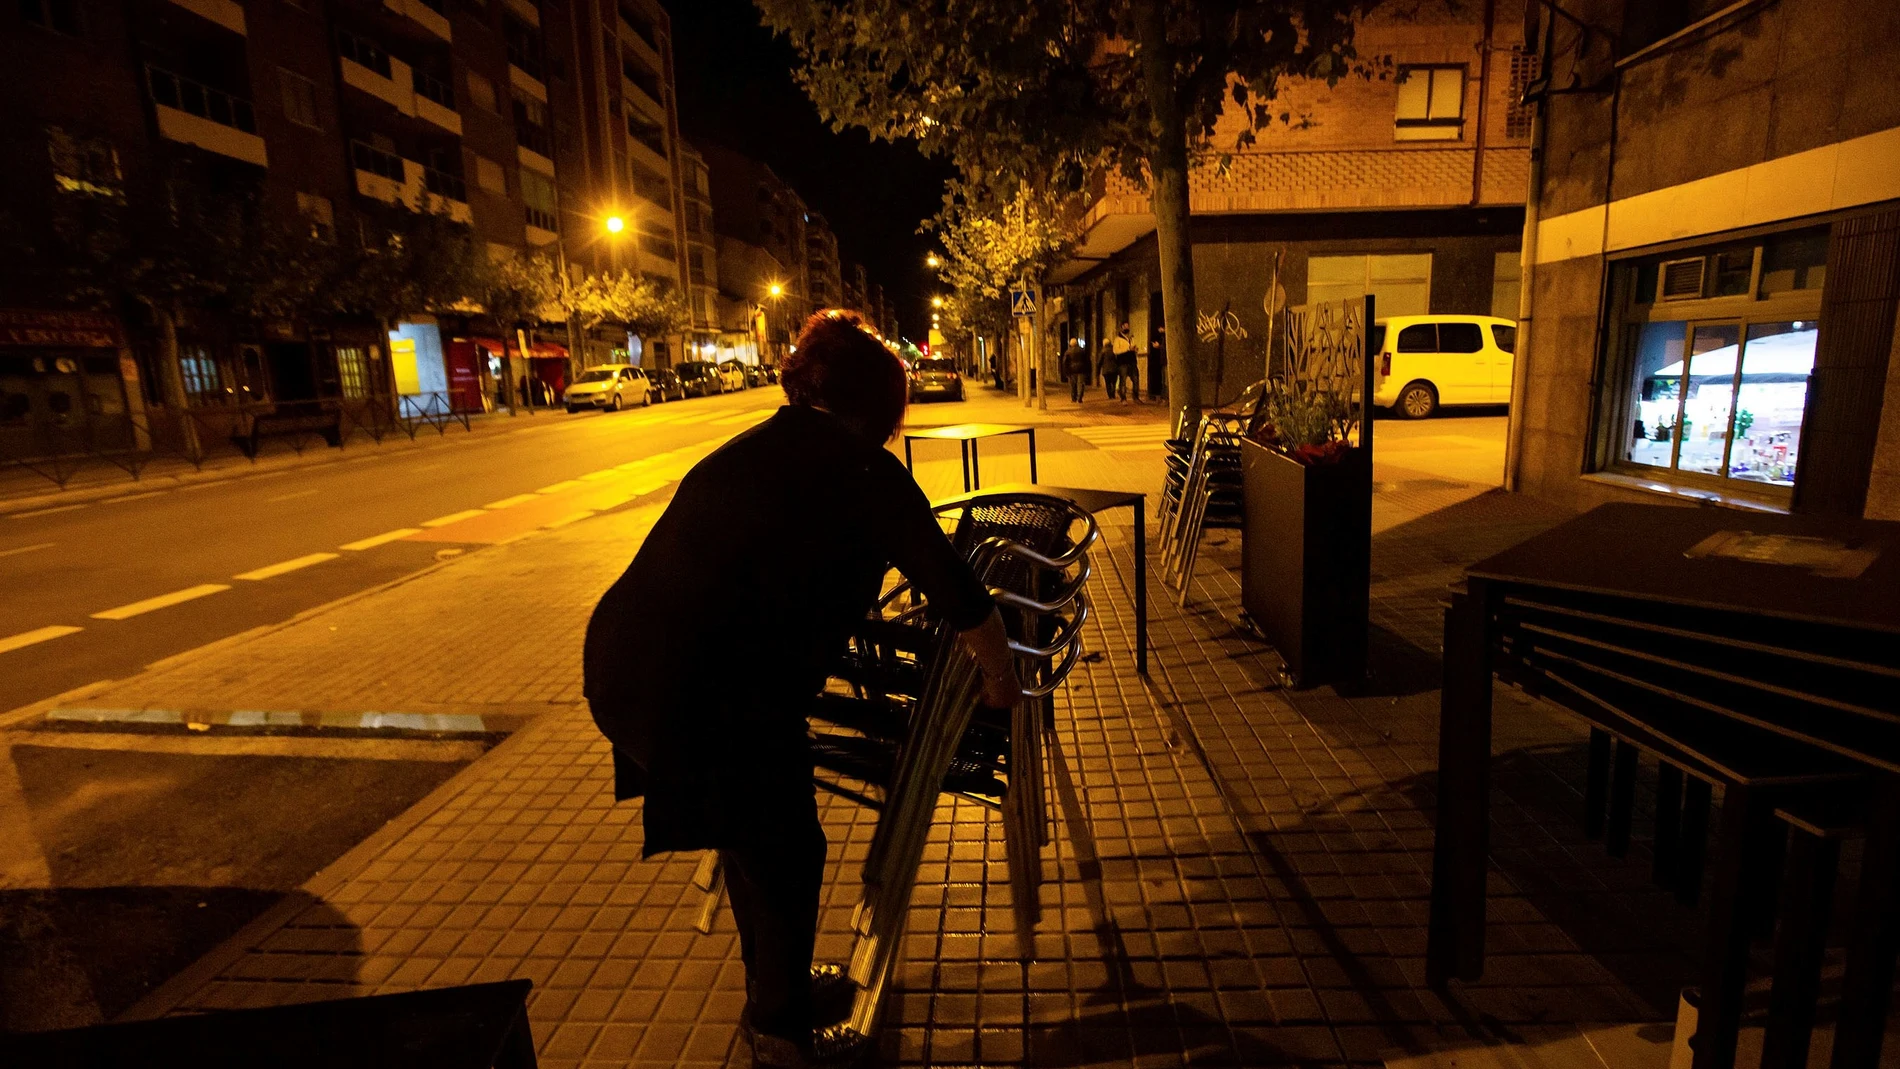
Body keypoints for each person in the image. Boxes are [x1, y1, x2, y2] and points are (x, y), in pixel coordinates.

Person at [583, 309, 1022, 1069]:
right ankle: (781, 1035)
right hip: (705, 688)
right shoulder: (861, 470)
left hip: (628, 665)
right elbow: (954, 586)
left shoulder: (759, 446)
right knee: (785, 844)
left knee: (753, 834)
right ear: (877, 405)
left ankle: (774, 996)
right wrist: (1000, 674)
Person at [1061, 337, 1091, 403]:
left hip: (1071, 370)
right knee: (1080, 384)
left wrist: (1065, 371)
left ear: (1070, 344)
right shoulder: (1082, 350)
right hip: (1081, 369)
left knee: (1073, 384)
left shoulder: (1068, 352)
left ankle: (1073, 398)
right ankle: (1079, 397)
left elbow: (1064, 362)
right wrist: (1088, 369)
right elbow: (1087, 360)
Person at [1114, 323, 1139, 402]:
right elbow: (1116, 351)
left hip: (1132, 362)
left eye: (1128, 326)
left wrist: (1135, 350)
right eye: (1125, 326)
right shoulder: (1118, 339)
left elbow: (1134, 348)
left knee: (1136, 379)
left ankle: (1135, 397)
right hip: (1123, 363)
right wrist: (1128, 349)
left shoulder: (1131, 338)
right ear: (1121, 328)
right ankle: (1123, 398)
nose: (1127, 328)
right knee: (1123, 381)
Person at [1147, 327, 1168, 402]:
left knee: (1166, 381)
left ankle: (1166, 399)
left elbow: (1167, 347)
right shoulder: (1163, 337)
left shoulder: (1168, 336)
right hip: (1163, 361)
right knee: (1164, 381)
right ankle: (1164, 398)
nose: (1159, 329)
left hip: (1166, 361)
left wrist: (1159, 346)